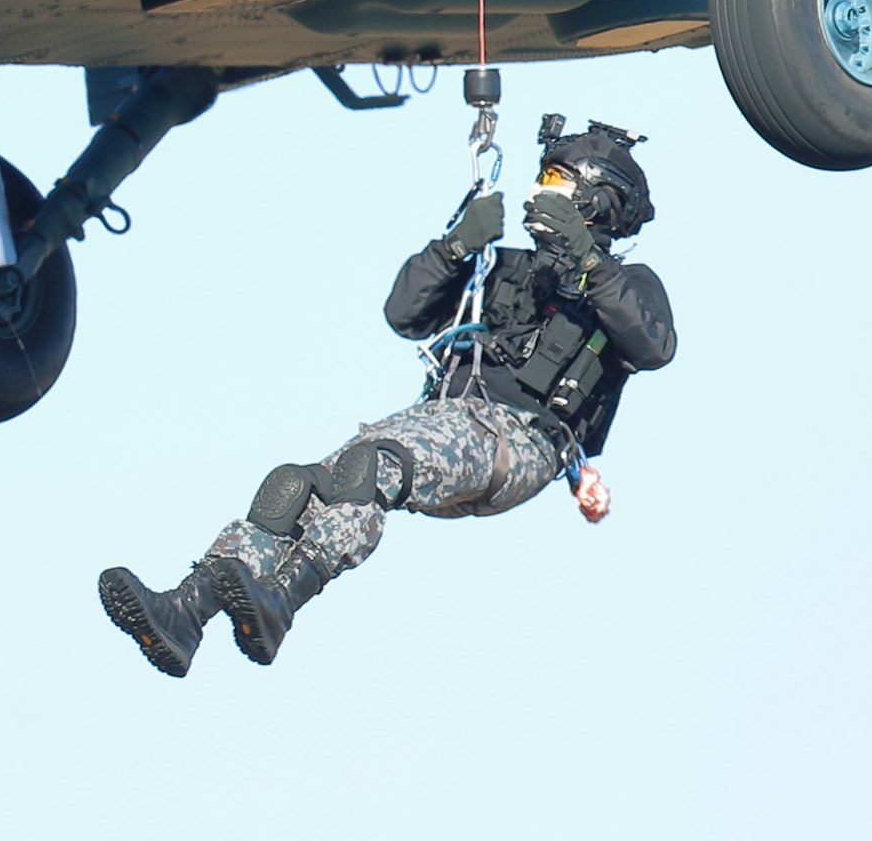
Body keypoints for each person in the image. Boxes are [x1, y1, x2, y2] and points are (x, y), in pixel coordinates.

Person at [98, 114, 676, 676]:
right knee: (299, 487)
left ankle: (282, 602)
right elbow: (405, 313)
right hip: (443, 424)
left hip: (518, 442)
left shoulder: (628, 285)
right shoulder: (502, 269)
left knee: (373, 465)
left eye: (556, 181)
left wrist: (588, 261)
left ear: (598, 201)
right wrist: (455, 245)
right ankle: (186, 611)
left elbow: (653, 345)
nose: (537, 192)